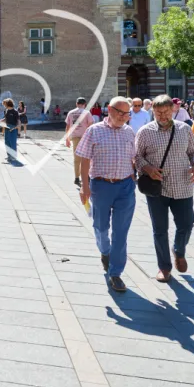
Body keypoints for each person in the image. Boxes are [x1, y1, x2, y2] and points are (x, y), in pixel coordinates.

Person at [135, 95, 194, 283]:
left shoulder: (184, 129)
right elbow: (137, 157)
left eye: (165, 112)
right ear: (153, 112)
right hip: (157, 188)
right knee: (160, 229)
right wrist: (147, 168)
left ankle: (179, 250)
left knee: (187, 223)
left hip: (183, 185)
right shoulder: (145, 132)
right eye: (158, 113)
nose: (162, 116)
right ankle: (164, 267)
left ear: (173, 110)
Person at [75, 97, 136, 293]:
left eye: (127, 114)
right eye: (121, 112)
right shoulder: (94, 130)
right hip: (100, 186)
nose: (124, 117)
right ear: (109, 110)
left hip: (125, 186)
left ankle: (116, 273)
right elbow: (84, 159)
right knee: (101, 227)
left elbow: (134, 158)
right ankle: (104, 251)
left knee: (121, 231)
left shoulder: (129, 132)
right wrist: (84, 186)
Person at [65, 97, 95, 186]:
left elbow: (67, 127)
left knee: (76, 159)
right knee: (86, 158)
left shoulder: (71, 112)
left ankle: (76, 178)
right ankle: (85, 177)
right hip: (85, 137)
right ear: (85, 104)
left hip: (74, 137)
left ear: (76, 103)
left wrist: (67, 139)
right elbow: (90, 125)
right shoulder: (87, 113)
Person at [0, 98, 20, 162]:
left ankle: (13, 156)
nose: (4, 105)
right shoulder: (6, 111)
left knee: (12, 142)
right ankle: (9, 156)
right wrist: (1, 120)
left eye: (4, 104)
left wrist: (18, 129)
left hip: (13, 128)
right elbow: (6, 119)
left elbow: (18, 121)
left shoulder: (15, 112)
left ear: (8, 104)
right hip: (7, 127)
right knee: (7, 142)